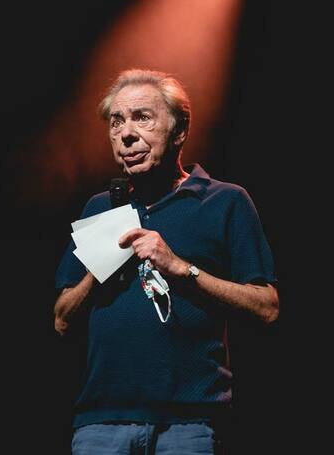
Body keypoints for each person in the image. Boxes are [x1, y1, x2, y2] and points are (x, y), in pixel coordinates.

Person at [54, 69, 279, 454]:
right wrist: (98, 270)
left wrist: (180, 268)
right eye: (116, 121)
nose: (126, 133)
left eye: (142, 117)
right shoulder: (100, 207)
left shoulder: (224, 201)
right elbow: (61, 319)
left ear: (179, 132)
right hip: (101, 423)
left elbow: (267, 307)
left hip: (189, 424)